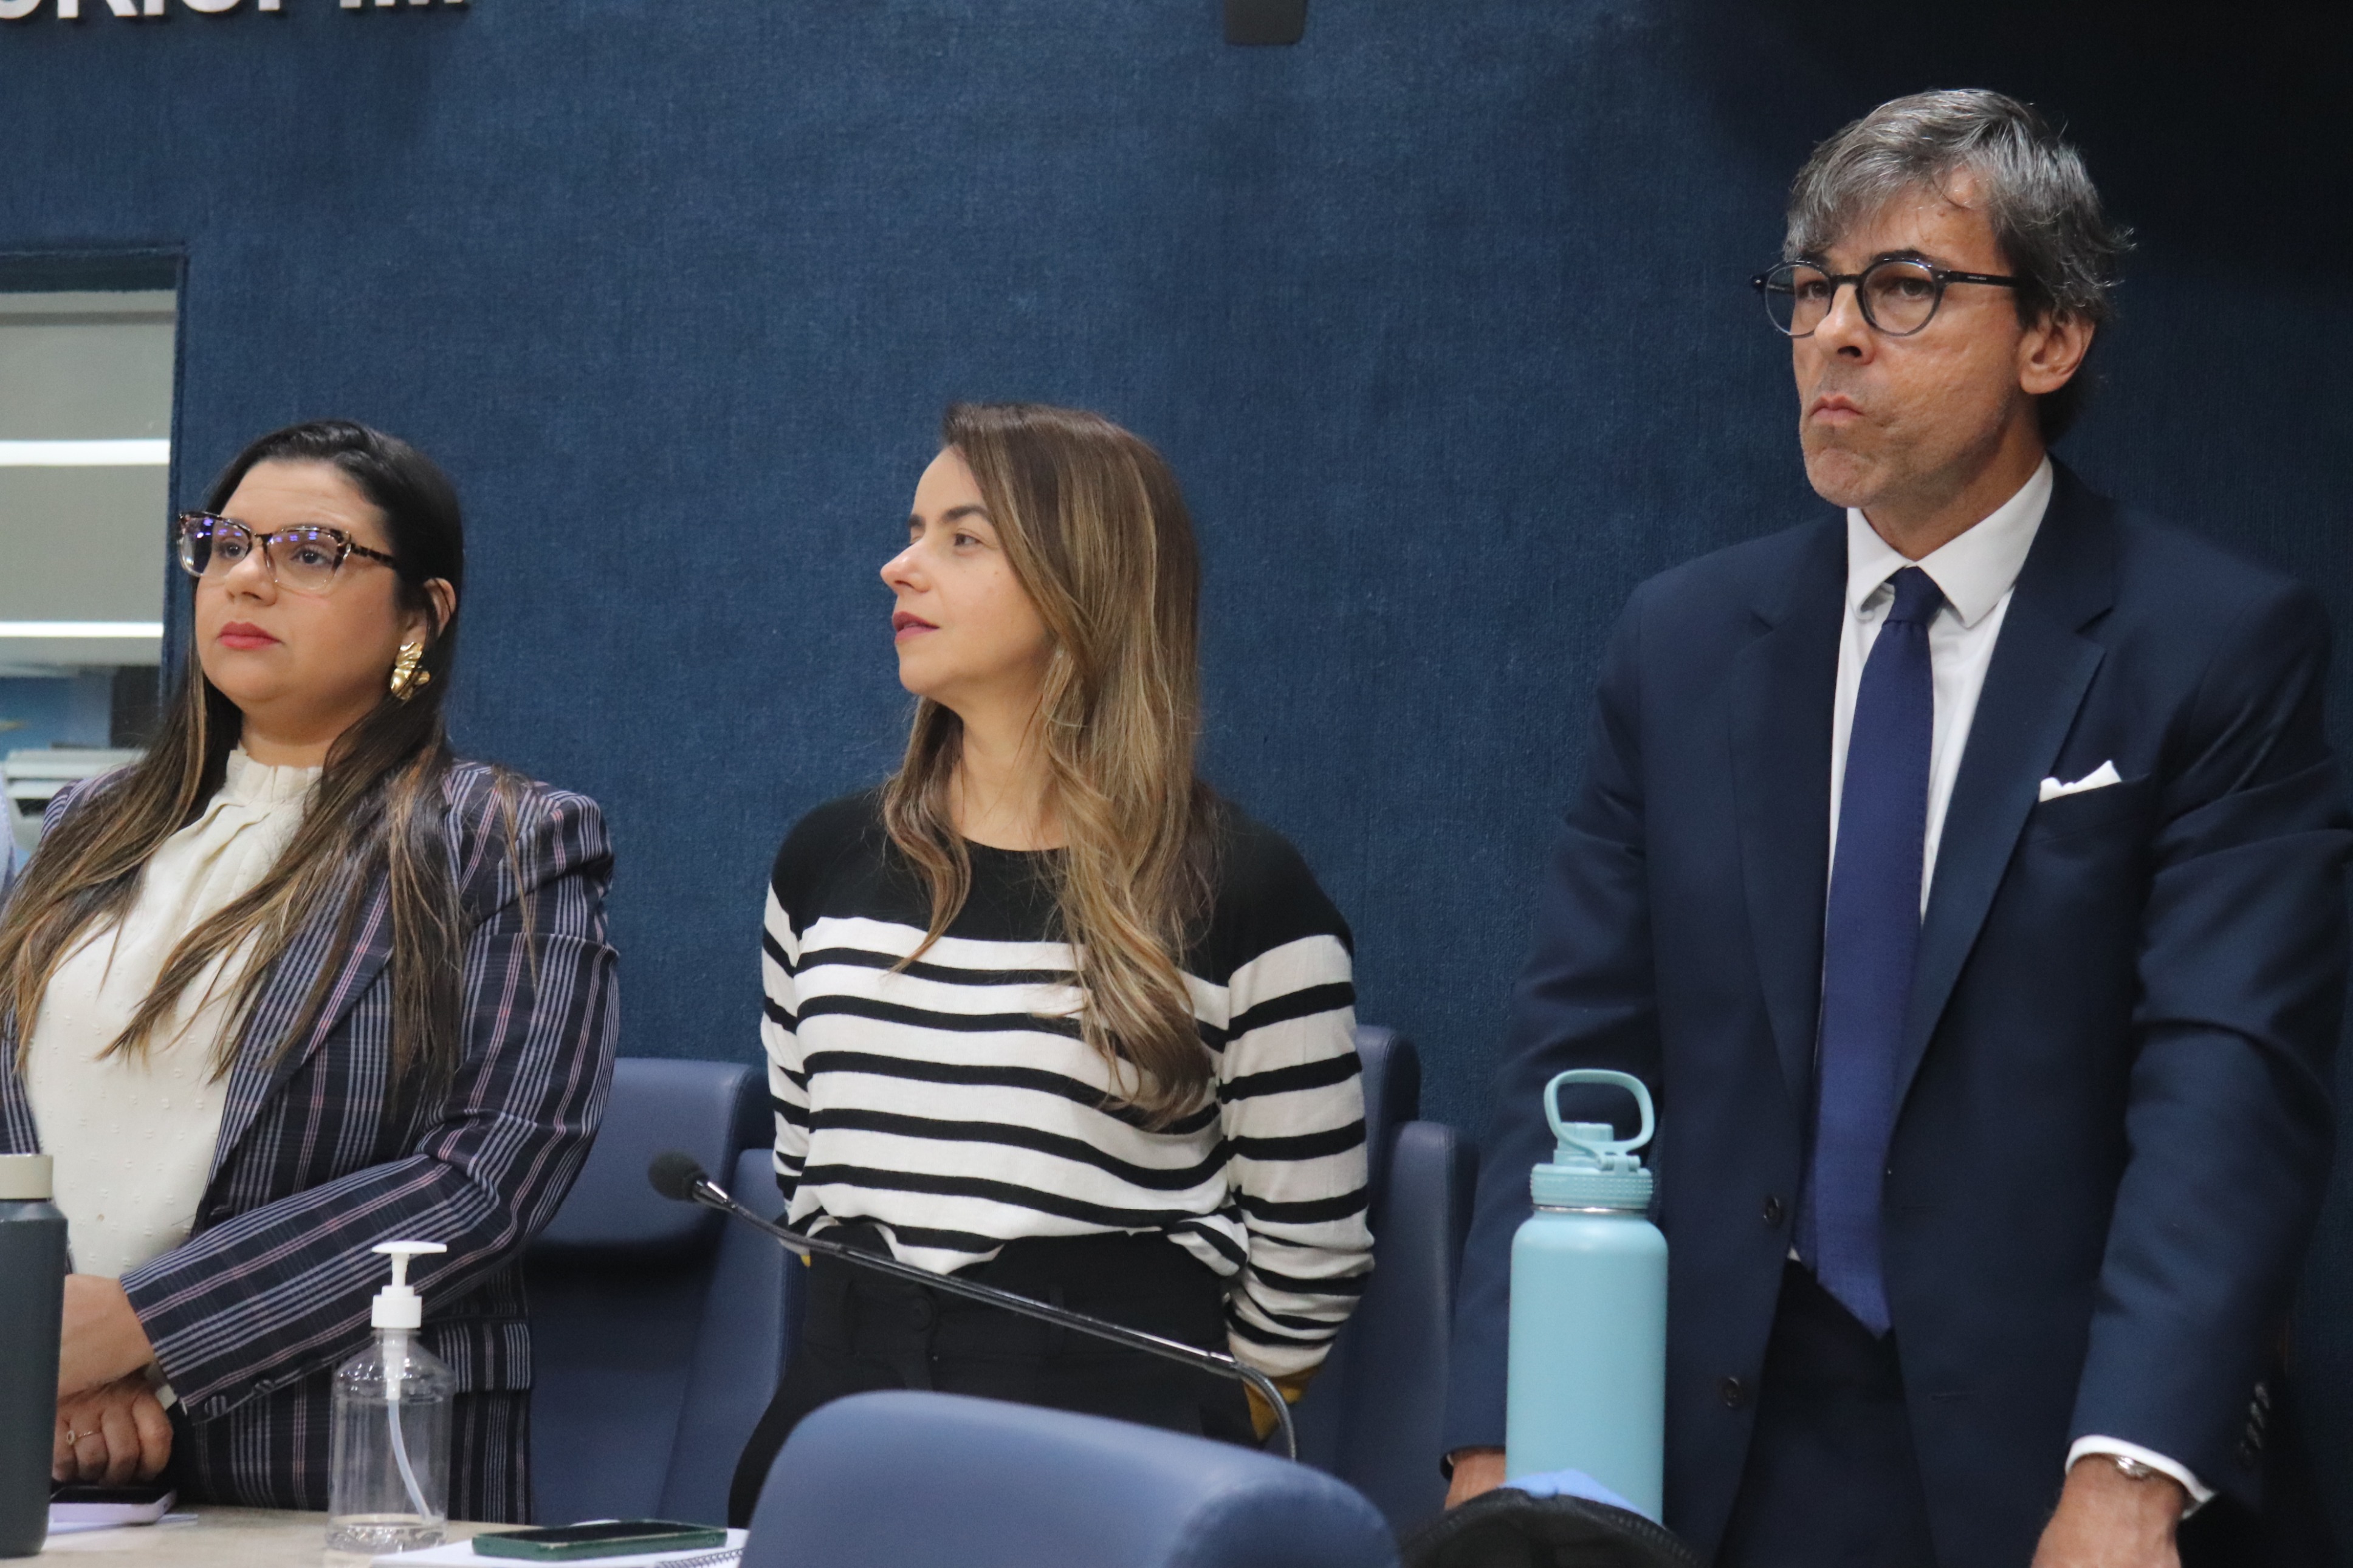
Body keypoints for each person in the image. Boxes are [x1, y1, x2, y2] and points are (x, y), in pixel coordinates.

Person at [1440, 91, 2348, 1568]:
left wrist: (2127, 1470)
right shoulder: (1683, 643)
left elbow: (2225, 1088)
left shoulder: (2212, 646)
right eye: (1811, 291)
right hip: (1711, 1446)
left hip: (2055, 1454)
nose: (1835, 336)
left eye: (1903, 288)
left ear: (2052, 338)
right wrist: (1503, 1448)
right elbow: (1573, 1055)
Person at [727, 402, 1373, 1524]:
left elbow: (1312, 1253)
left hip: (1112, 1462)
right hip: (840, 1441)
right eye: (913, 531)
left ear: (1086, 582)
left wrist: (1175, 1422)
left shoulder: (1246, 891)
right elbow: (811, 1182)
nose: (899, 567)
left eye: (961, 538)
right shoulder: (822, 863)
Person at [0, 420, 619, 1520]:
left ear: (422, 614)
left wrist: (140, 1328)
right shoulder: (86, 825)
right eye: (225, 542)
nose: (248, 576)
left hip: (339, 1458)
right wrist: (40, 1351)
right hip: (49, 1444)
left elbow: (491, 1173)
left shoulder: (505, 838)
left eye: (311, 551)